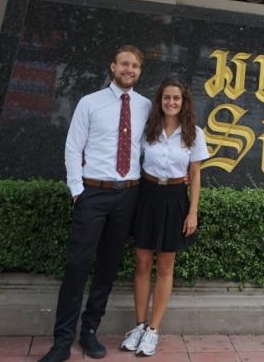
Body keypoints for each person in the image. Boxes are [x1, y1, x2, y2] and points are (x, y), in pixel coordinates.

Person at [39, 46, 153, 362]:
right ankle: (62, 340)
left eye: (135, 66)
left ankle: (89, 330)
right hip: (93, 193)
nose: (129, 69)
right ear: (112, 66)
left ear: (140, 71)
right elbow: (73, 148)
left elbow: (153, 148)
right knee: (78, 265)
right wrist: (77, 190)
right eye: (124, 64)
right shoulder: (90, 103)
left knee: (107, 267)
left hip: (128, 194)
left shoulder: (145, 106)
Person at [119, 77, 209, 357]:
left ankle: (153, 331)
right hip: (146, 195)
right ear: (160, 101)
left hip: (174, 200)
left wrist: (192, 211)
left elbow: (194, 176)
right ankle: (139, 326)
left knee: (166, 266)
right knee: (143, 262)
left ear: (184, 103)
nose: (171, 102)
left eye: (176, 98)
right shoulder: (148, 129)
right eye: (166, 97)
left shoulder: (194, 133)